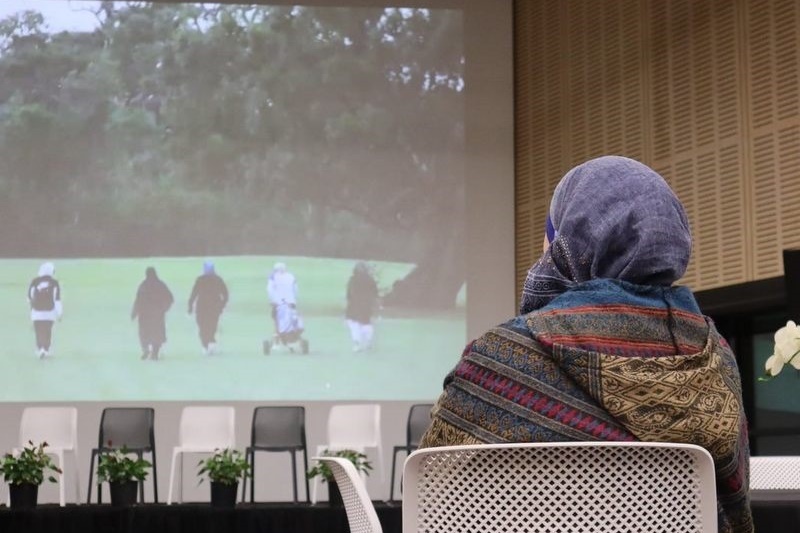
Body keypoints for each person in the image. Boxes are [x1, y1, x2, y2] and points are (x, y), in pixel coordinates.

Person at [419, 156, 753, 533]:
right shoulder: (716, 356)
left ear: (568, 243)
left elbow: (433, 494)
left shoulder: (498, 359)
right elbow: (731, 505)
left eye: (551, 233)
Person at [131, 266, 174, 361]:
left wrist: (134, 313)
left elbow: (138, 300)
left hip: (145, 315)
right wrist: (164, 308)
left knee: (144, 334)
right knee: (157, 334)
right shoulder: (160, 285)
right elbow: (170, 298)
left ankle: (146, 350)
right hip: (157, 314)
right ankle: (154, 352)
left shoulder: (143, 285)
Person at [188, 260, 229, 355]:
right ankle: (209, 344)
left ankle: (207, 345)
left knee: (204, 327)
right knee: (211, 326)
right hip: (214, 308)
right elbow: (226, 295)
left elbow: (194, 294)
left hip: (203, 307)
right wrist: (222, 305)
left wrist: (190, 306)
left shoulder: (200, 279)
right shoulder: (218, 279)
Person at [28, 262, 62, 359]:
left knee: (39, 331)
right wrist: (59, 313)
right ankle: (46, 349)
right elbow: (57, 299)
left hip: (36, 312)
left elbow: (29, 297)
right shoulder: (55, 283)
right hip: (50, 313)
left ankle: (40, 349)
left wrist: (32, 309)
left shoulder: (34, 282)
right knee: (47, 330)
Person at [345, 261, 379, 352]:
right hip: (367, 305)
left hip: (354, 305)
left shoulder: (353, 279)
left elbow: (349, 294)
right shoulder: (371, 279)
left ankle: (357, 343)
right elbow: (375, 293)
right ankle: (368, 341)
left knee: (354, 323)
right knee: (366, 322)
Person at [267, 262, 297, 336]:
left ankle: (276, 337)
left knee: (276, 318)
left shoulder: (273, 276)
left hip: (279, 302)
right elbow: (295, 290)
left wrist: (273, 300)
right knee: (292, 317)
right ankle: (292, 332)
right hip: (291, 302)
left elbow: (269, 289)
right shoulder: (291, 276)